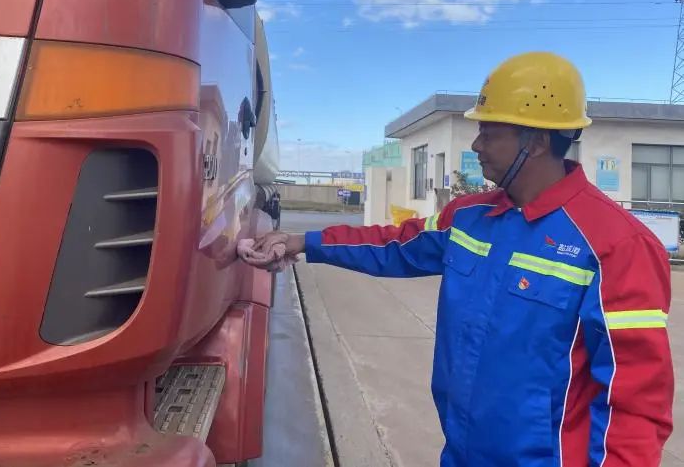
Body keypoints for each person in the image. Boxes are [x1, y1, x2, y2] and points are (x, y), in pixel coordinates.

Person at [240, 52, 674, 466]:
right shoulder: (469, 217)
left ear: (538, 141)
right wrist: (301, 242)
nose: (476, 144)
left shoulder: (618, 245)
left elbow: (635, 402)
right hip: (462, 452)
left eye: (490, 132)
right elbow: (396, 244)